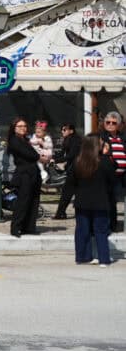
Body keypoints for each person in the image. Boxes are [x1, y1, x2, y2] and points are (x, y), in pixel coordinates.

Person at [70, 134, 116, 267]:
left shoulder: (78, 161)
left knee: (82, 230)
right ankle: (104, 259)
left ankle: (82, 257)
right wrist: (107, 155)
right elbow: (113, 180)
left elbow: (71, 182)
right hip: (100, 201)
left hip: (82, 201)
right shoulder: (104, 161)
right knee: (101, 231)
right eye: (101, 142)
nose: (103, 143)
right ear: (96, 145)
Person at [6, 117, 44, 238]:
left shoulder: (25, 139)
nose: (23, 128)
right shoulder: (14, 140)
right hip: (24, 174)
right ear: (14, 128)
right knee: (23, 201)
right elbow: (31, 155)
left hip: (33, 173)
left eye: (25, 126)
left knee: (34, 200)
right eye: (20, 126)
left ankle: (29, 227)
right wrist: (38, 156)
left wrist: (38, 156)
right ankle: (16, 227)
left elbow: (34, 155)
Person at [99, 112, 126, 233]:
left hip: (123, 176)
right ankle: (110, 225)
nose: (110, 124)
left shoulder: (123, 137)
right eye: (108, 122)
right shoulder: (101, 138)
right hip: (108, 175)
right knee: (110, 201)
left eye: (113, 123)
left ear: (119, 125)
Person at [53, 123, 81, 220]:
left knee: (68, 192)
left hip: (77, 169)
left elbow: (72, 155)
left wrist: (56, 160)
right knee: (70, 192)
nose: (62, 131)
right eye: (62, 129)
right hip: (73, 169)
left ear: (71, 131)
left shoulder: (76, 140)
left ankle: (60, 213)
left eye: (64, 129)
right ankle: (61, 213)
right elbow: (62, 153)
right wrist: (52, 158)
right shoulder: (68, 140)